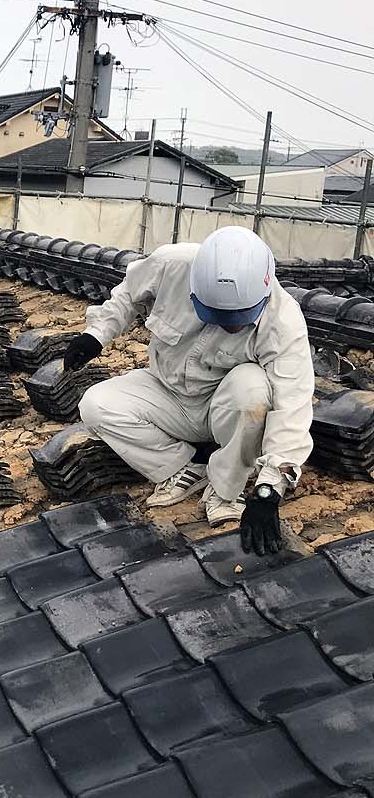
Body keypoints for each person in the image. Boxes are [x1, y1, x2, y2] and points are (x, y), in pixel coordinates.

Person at [65, 226, 313, 555]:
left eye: (238, 318)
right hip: (167, 390)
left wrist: (269, 490)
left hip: (222, 406)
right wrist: (97, 334)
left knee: (253, 391)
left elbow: (292, 407)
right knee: (96, 405)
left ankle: (227, 489)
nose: (228, 325)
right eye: (217, 314)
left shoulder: (283, 321)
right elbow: (128, 294)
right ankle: (185, 468)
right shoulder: (173, 264)